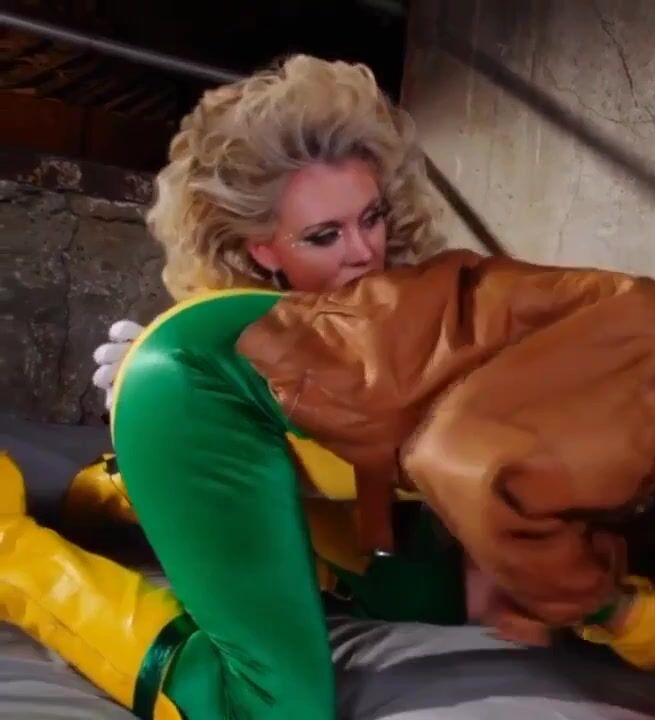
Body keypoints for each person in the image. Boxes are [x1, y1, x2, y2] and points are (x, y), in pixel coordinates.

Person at [2, 237, 655, 719]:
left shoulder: (651, 325)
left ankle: (124, 491)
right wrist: (613, 608)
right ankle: (12, 552)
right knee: (272, 708)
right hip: (216, 390)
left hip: (248, 362)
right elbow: (459, 459)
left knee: (419, 577)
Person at [48, 54, 440, 536]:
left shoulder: (438, 312)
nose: (364, 251)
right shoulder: (230, 340)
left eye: (372, 218)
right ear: (262, 249)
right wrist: (154, 415)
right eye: (324, 236)